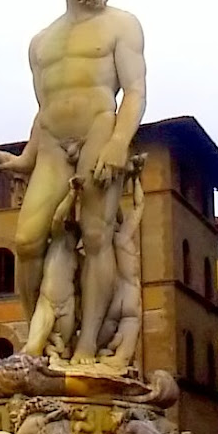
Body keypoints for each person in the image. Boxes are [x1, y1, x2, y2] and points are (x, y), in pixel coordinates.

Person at [0, 0, 146, 364]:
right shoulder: (40, 43)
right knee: (27, 241)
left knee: (96, 237)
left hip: (100, 133)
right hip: (52, 146)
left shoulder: (122, 24)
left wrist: (118, 142)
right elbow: (45, 109)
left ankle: (87, 344)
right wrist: (24, 158)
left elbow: (135, 92)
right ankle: (39, 343)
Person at [23, 176, 83, 357]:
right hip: (47, 302)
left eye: (75, 236)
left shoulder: (78, 257)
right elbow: (57, 218)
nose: (73, 238)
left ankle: (51, 351)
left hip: (67, 305)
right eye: (71, 233)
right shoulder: (58, 241)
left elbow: (81, 286)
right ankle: (42, 350)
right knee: (33, 348)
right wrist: (72, 194)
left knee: (63, 350)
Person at [97, 154, 146, 369]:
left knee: (102, 337)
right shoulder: (123, 238)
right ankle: (120, 357)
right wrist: (136, 179)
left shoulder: (100, 244)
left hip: (114, 299)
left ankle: (99, 351)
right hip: (130, 293)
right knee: (130, 325)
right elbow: (139, 205)